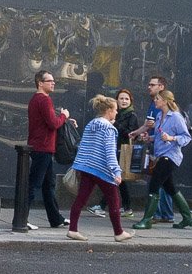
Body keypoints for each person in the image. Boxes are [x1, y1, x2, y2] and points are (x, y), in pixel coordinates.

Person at [64, 94, 134, 242]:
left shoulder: (92, 124)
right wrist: (116, 171)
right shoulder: (109, 129)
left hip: (86, 167)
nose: (116, 112)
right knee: (114, 200)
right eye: (115, 109)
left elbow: (84, 145)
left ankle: (73, 229)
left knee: (81, 199)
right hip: (101, 169)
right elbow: (110, 152)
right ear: (109, 110)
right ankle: (119, 232)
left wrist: (79, 164)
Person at [132, 89, 192, 230]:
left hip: (170, 156)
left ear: (165, 101)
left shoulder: (176, 117)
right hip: (161, 155)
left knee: (154, 185)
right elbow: (160, 136)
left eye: (158, 99)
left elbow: (186, 137)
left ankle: (146, 220)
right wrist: (150, 138)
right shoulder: (160, 115)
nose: (155, 100)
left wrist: (172, 138)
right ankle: (187, 218)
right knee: (170, 187)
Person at [25, 69, 71, 230]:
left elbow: (48, 121)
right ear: (40, 83)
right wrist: (64, 116)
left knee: (48, 185)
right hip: (43, 147)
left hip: (42, 147)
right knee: (34, 184)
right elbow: (53, 123)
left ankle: (55, 218)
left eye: (53, 81)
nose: (53, 83)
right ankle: (21, 218)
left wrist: (63, 119)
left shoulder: (36, 100)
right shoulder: (44, 100)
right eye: (49, 81)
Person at [130, 75, 175, 222]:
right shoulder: (154, 104)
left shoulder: (165, 108)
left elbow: (161, 126)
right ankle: (166, 214)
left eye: (153, 85)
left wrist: (150, 132)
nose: (149, 87)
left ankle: (155, 214)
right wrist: (141, 133)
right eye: (149, 84)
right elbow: (149, 124)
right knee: (165, 182)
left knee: (156, 181)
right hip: (157, 146)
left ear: (161, 87)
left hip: (165, 150)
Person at [89, 87, 140, 218]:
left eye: (126, 99)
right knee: (117, 180)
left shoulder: (131, 115)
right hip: (112, 148)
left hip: (121, 150)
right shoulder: (115, 114)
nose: (124, 101)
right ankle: (126, 207)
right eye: (121, 98)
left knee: (114, 179)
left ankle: (103, 206)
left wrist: (115, 123)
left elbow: (130, 133)